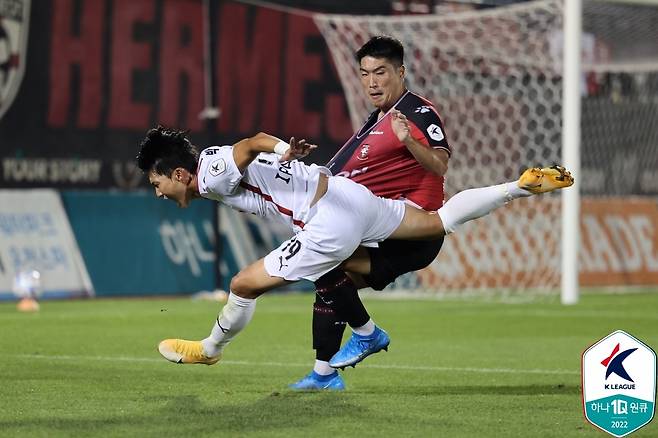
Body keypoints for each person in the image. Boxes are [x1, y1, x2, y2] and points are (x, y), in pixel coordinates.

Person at [136, 125, 573, 370]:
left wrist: (284, 147)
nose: (157, 193)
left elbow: (251, 143)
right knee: (438, 221)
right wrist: (287, 151)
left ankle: (210, 351)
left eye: (156, 183)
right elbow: (250, 148)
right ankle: (515, 187)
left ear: (178, 174)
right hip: (351, 196)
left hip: (327, 218)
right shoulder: (212, 162)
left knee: (243, 284)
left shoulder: (209, 171)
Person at [291, 35, 451, 391]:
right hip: (387, 229)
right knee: (329, 283)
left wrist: (410, 140)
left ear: (401, 72)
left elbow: (440, 165)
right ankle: (324, 375)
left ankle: (366, 336)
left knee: (327, 269)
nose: (372, 82)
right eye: (365, 74)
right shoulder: (375, 119)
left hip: (414, 230)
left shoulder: (418, 112)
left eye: (380, 72)